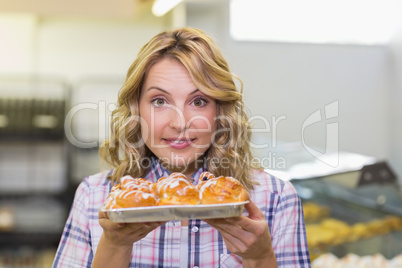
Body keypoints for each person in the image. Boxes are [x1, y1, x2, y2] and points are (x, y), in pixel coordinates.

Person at [53, 27, 310, 268]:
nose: (180, 123)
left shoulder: (276, 199)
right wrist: (115, 244)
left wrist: (260, 257)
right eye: (160, 101)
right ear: (136, 110)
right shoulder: (95, 197)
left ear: (221, 111)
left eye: (198, 101)